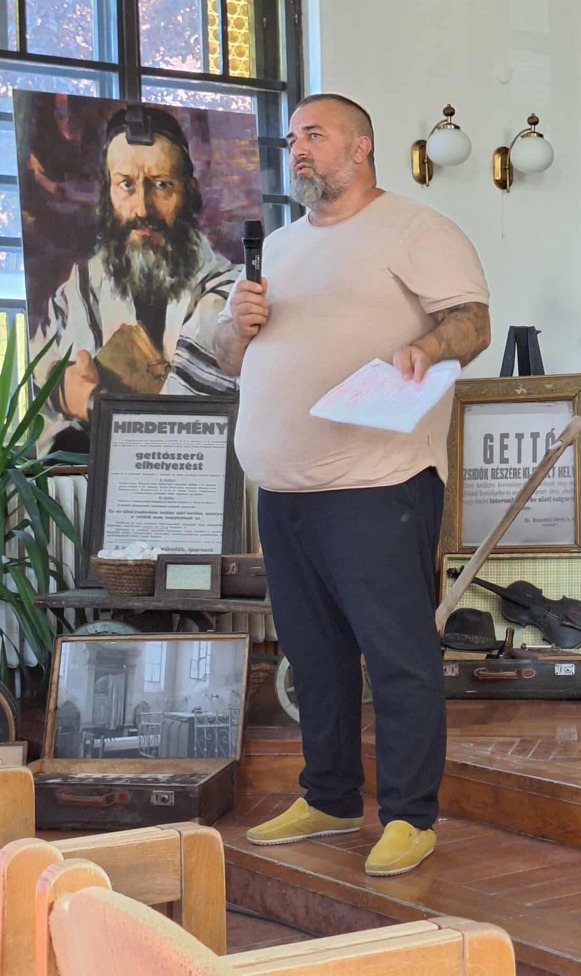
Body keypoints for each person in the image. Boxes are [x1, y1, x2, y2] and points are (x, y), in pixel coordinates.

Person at [214, 93, 490, 876]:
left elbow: (473, 322)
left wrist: (428, 347)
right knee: (314, 657)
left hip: (377, 482)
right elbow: (232, 360)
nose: (297, 148)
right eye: (291, 137)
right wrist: (237, 325)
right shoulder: (278, 249)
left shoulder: (415, 229)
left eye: (315, 134)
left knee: (397, 656)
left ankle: (409, 816)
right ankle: (331, 797)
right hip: (283, 491)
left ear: (361, 146)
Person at [31, 104, 240, 453]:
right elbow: (37, 393)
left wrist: (91, 404)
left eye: (161, 185)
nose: (143, 208)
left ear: (189, 191)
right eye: (126, 185)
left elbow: (191, 425)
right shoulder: (80, 290)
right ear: (108, 192)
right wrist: (61, 390)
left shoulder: (225, 290)